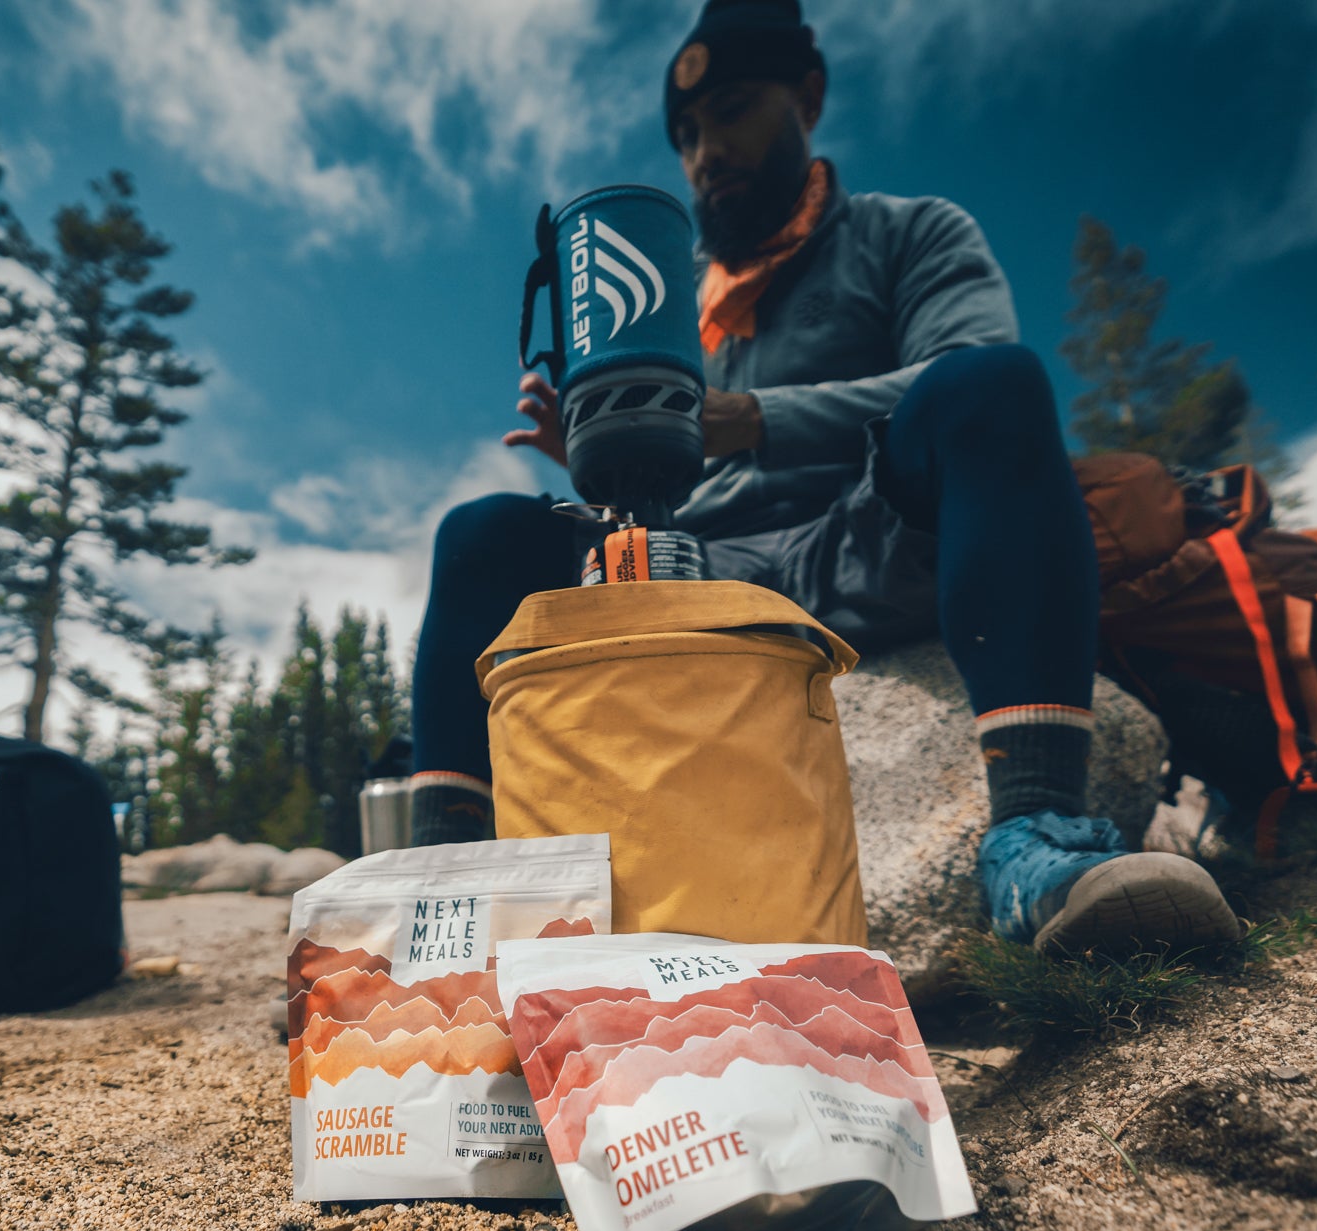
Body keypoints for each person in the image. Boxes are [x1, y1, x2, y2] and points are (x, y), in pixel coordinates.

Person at [407, 0, 1240, 959]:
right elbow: (660, 491)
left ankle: (1035, 843)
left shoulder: (907, 234)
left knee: (994, 382)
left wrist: (751, 419)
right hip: (707, 573)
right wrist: (608, 465)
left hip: (872, 540)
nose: (705, 151)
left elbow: (962, 371)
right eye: (686, 135)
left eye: (731, 112)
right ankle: (439, 924)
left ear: (806, 96)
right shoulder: (672, 308)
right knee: (481, 536)